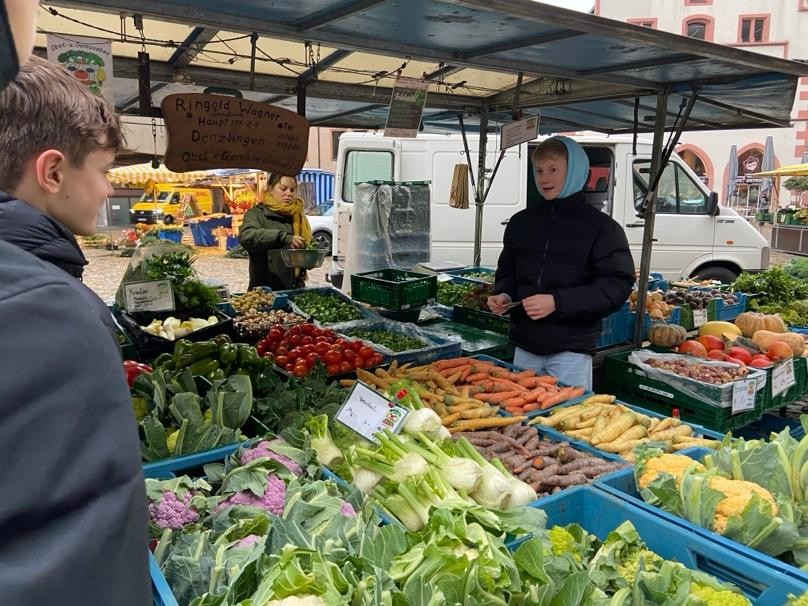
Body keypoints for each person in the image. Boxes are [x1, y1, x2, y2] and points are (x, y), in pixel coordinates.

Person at [0, 53, 150, 605]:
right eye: (105, 171)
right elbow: (74, 552)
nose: (110, 190)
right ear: (54, 172)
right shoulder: (52, 310)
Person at [487, 136, 635, 389]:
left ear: (575, 171)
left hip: (571, 350)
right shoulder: (521, 222)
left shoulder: (603, 229)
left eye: (554, 169)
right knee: (522, 421)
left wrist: (557, 302)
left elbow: (616, 285)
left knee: (569, 420)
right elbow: (508, 270)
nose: (545, 178)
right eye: (539, 170)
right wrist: (503, 294)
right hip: (525, 345)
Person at [239, 173, 313, 290]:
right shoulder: (256, 214)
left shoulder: (297, 215)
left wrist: (310, 257)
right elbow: (247, 237)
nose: (288, 193)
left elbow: (308, 245)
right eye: (283, 188)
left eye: (292, 190)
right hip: (264, 291)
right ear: (270, 188)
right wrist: (283, 237)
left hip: (295, 289)